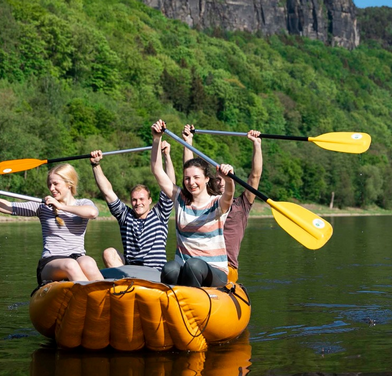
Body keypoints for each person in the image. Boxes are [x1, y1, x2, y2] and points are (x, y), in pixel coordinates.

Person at [0, 163, 103, 285]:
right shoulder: (43, 207)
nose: (52, 188)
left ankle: (107, 299)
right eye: (49, 184)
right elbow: (8, 207)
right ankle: (90, 299)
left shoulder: (83, 203)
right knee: (70, 265)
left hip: (78, 257)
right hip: (50, 263)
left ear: (69, 184)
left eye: (56, 184)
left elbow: (92, 213)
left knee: (88, 262)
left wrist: (61, 207)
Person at [150, 119, 236, 287]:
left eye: (196, 178)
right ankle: (171, 302)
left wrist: (228, 178)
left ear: (206, 179)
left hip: (214, 271)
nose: (191, 182)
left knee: (193, 264)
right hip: (185, 269)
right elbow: (157, 170)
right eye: (187, 178)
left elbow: (229, 194)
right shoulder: (180, 199)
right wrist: (156, 139)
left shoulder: (217, 204)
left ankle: (193, 304)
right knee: (170, 268)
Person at [182, 125, 262, 282]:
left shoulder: (242, 205)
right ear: (211, 182)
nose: (222, 183)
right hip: (199, 263)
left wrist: (256, 145)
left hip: (226, 268)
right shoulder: (205, 203)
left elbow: (255, 175)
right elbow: (191, 172)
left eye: (226, 178)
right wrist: (188, 141)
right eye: (218, 179)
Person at [89, 141, 176, 269]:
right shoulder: (125, 216)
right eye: (134, 200)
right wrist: (95, 165)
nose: (138, 203)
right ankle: (124, 284)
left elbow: (170, 185)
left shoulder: (160, 214)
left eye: (141, 199)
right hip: (132, 273)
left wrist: (167, 156)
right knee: (109, 253)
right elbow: (107, 191)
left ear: (149, 200)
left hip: (156, 272)